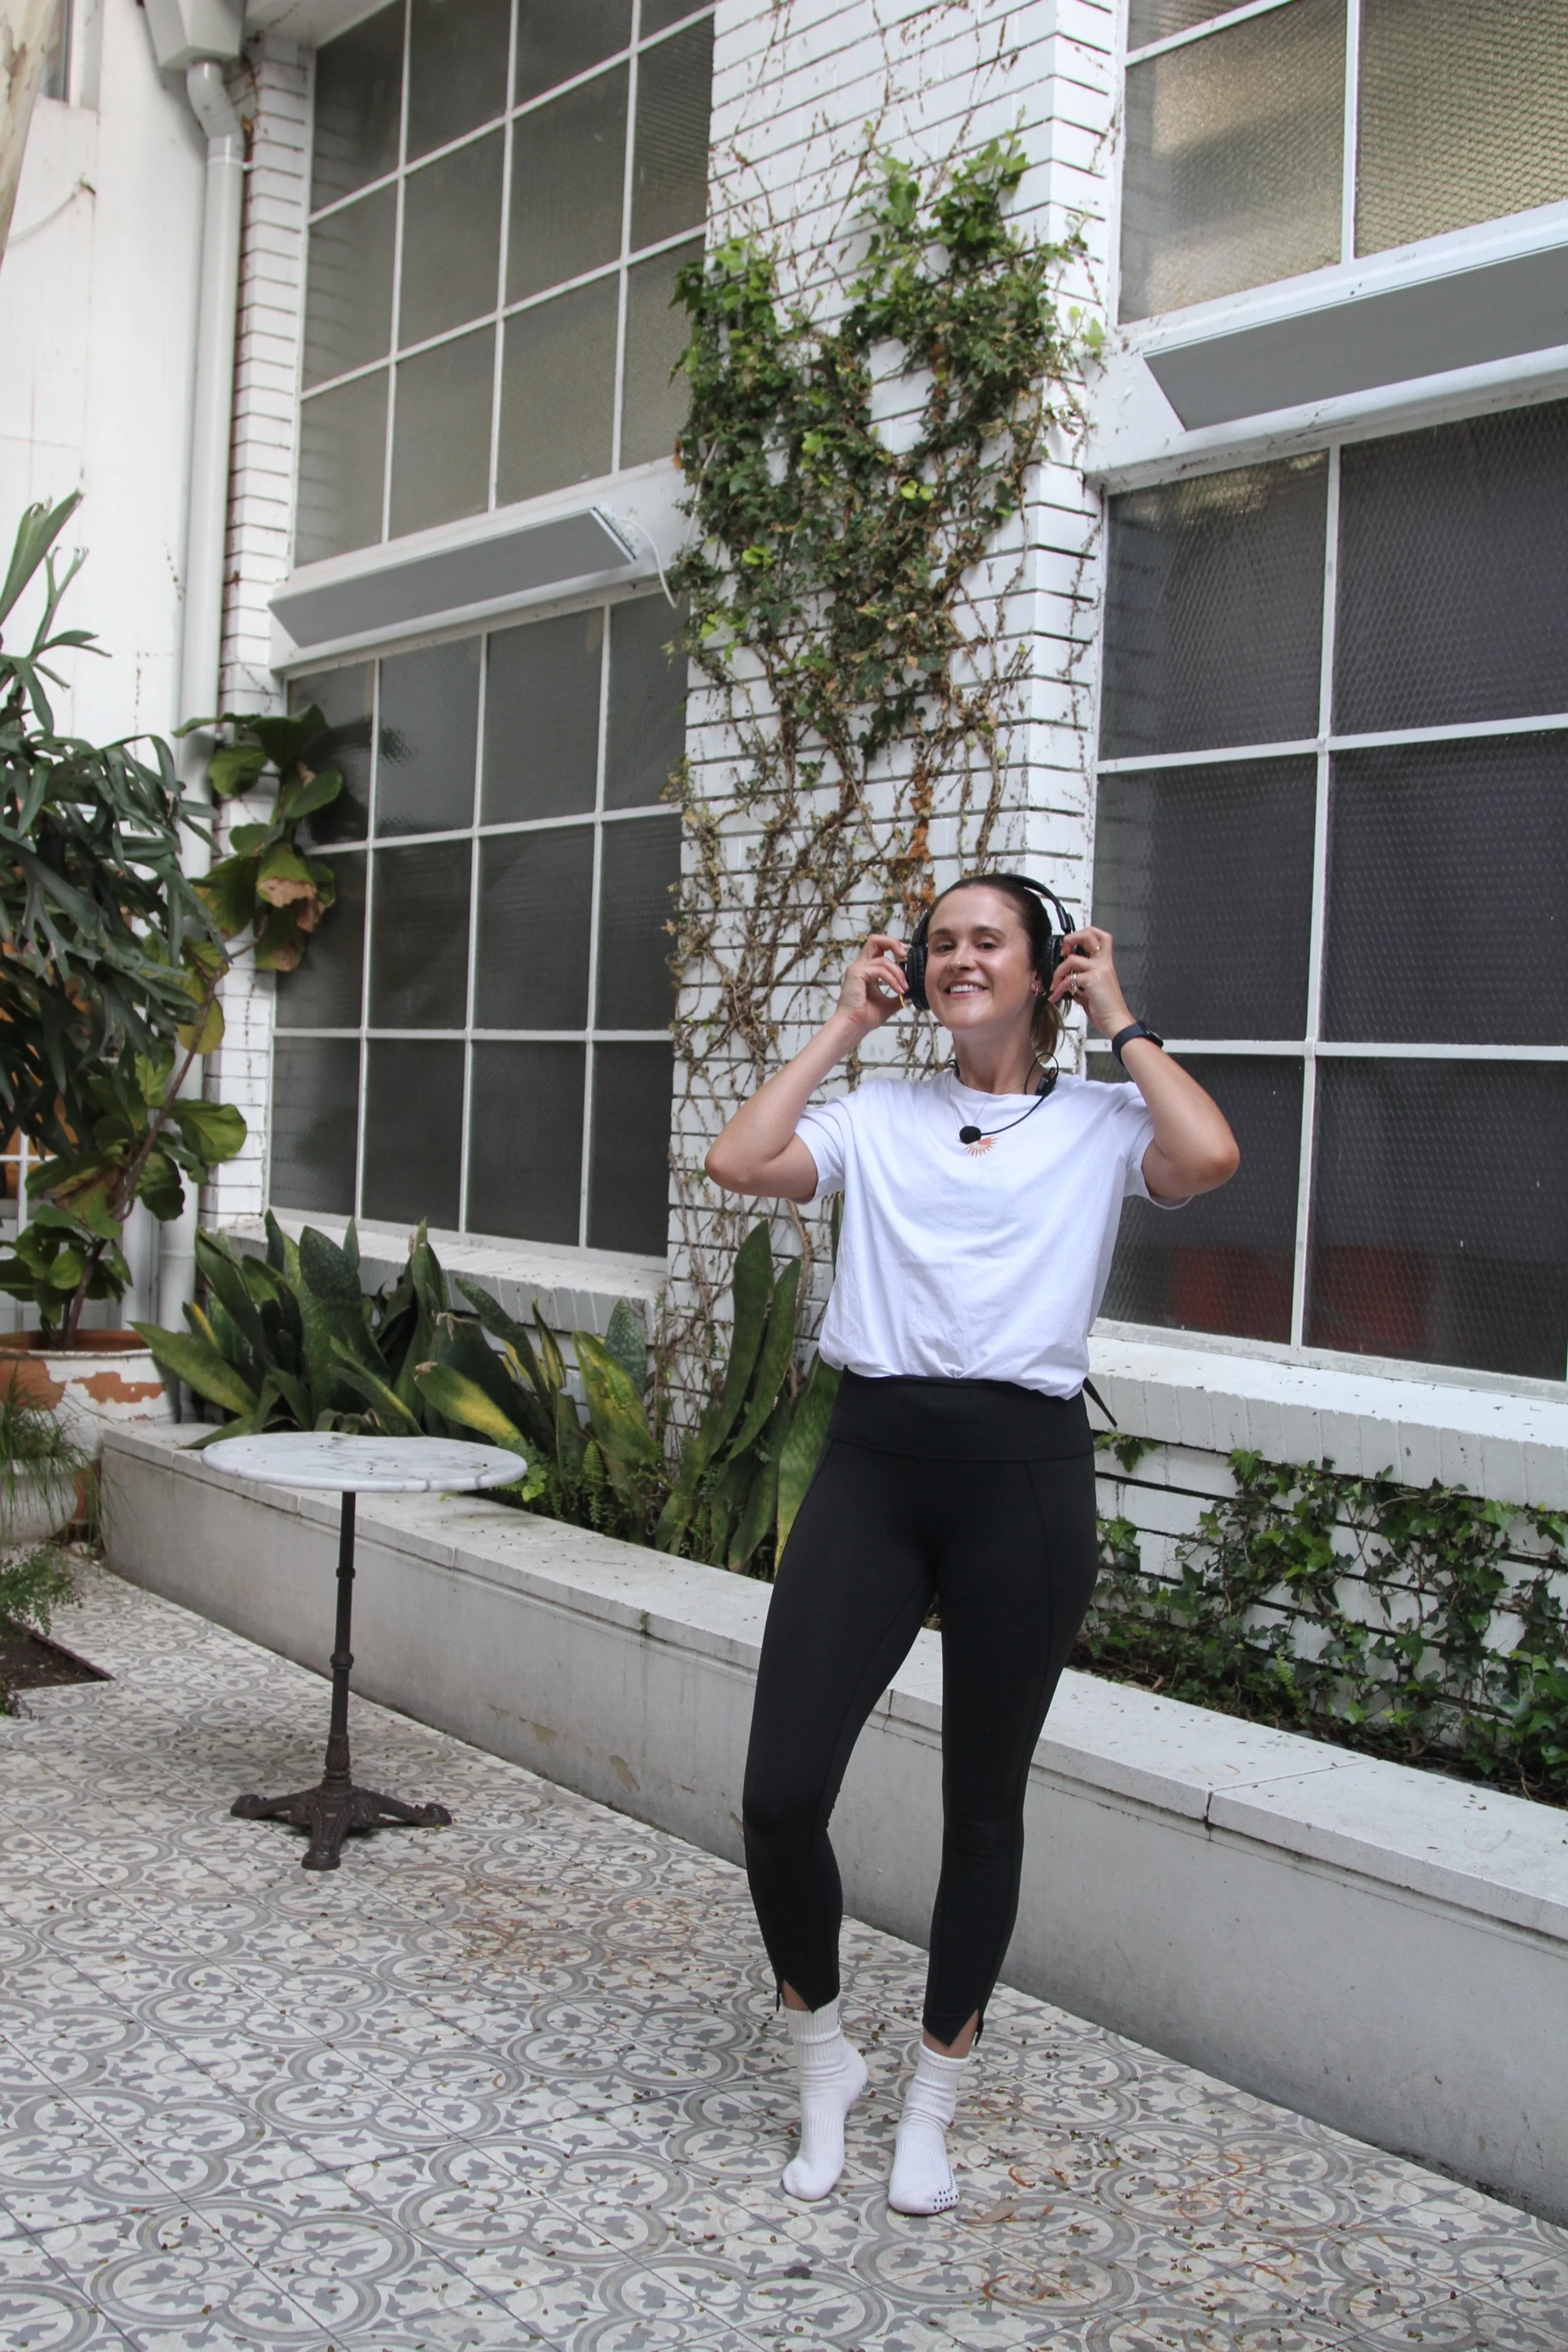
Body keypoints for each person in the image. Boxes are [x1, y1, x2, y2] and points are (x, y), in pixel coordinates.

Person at [704, 874, 1239, 2216]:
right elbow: (738, 1159)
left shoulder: (1107, 1120)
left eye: (985, 940)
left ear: (1042, 964)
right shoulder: (880, 1114)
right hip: (873, 1467)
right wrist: (840, 1026)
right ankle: (820, 2055)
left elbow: (1210, 1157)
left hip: (1023, 1483)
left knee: (980, 1806)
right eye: (939, 943)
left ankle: (933, 2094)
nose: (955, 959)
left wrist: (1117, 1016)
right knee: (777, 1796)